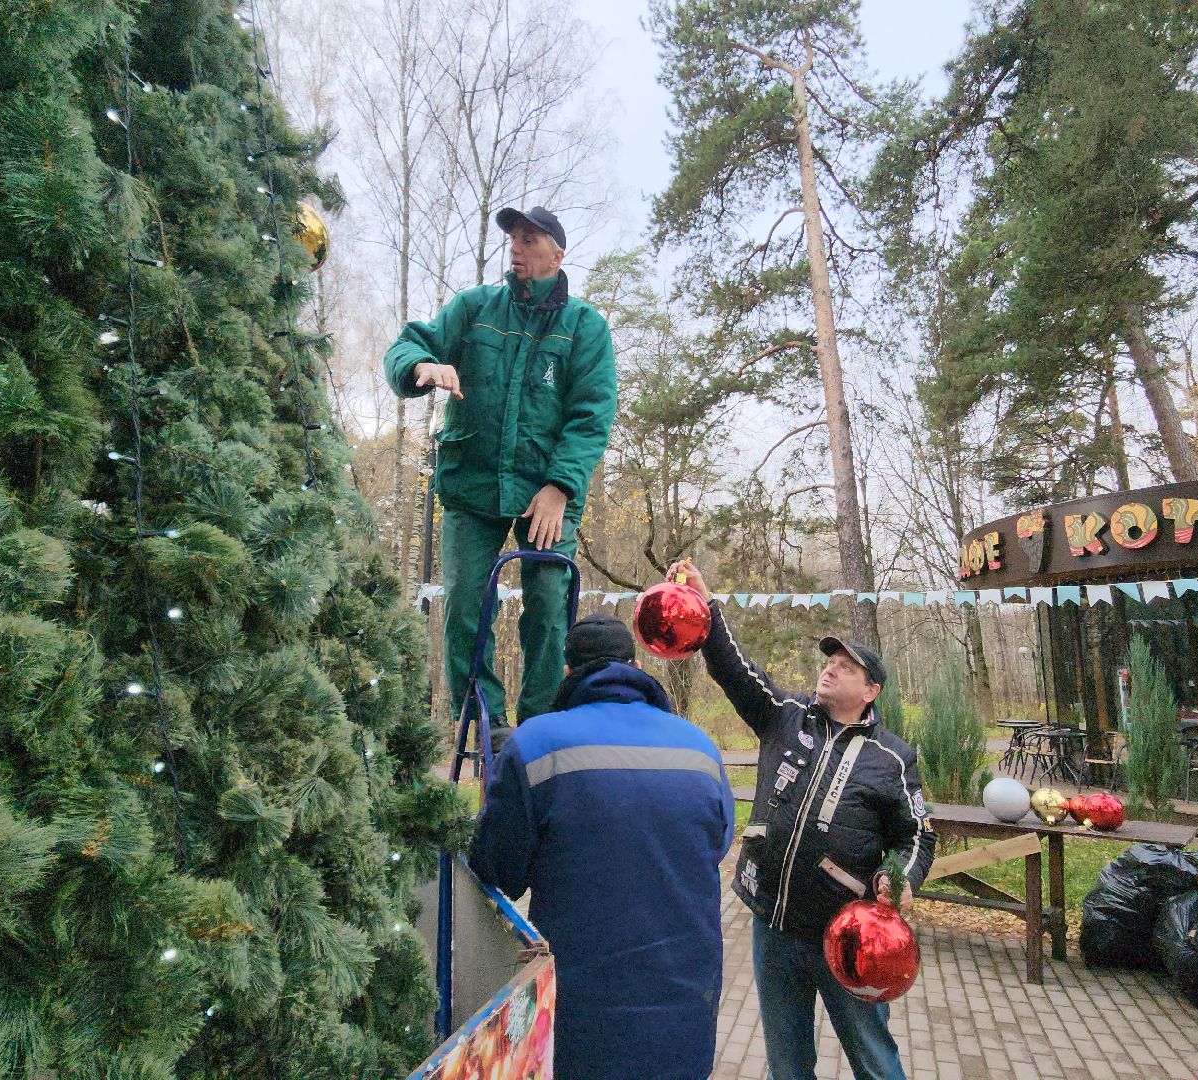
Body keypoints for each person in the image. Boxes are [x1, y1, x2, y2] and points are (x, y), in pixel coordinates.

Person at [669, 559, 935, 1080]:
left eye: (846, 667)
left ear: (871, 691)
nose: (830, 668)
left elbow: (918, 835)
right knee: (787, 1064)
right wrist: (708, 604)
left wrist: (901, 876)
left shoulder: (892, 757)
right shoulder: (784, 716)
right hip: (774, 924)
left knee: (874, 1060)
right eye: (829, 660)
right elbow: (734, 670)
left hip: (847, 935)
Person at [384, 207, 617, 746]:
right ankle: (486, 724)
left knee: (548, 603)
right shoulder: (475, 308)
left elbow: (591, 417)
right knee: (466, 605)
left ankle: (540, 725)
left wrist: (560, 487)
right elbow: (408, 343)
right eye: (513, 237)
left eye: (529, 239)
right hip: (472, 483)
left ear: (557, 255)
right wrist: (421, 366)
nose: (516, 247)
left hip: (546, 491)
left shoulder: (585, 327)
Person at [469, 615, 736, 1080]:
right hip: (685, 1004)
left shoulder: (535, 743)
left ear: (568, 672)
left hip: (583, 1015)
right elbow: (717, 843)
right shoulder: (700, 747)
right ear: (636, 666)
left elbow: (497, 869)